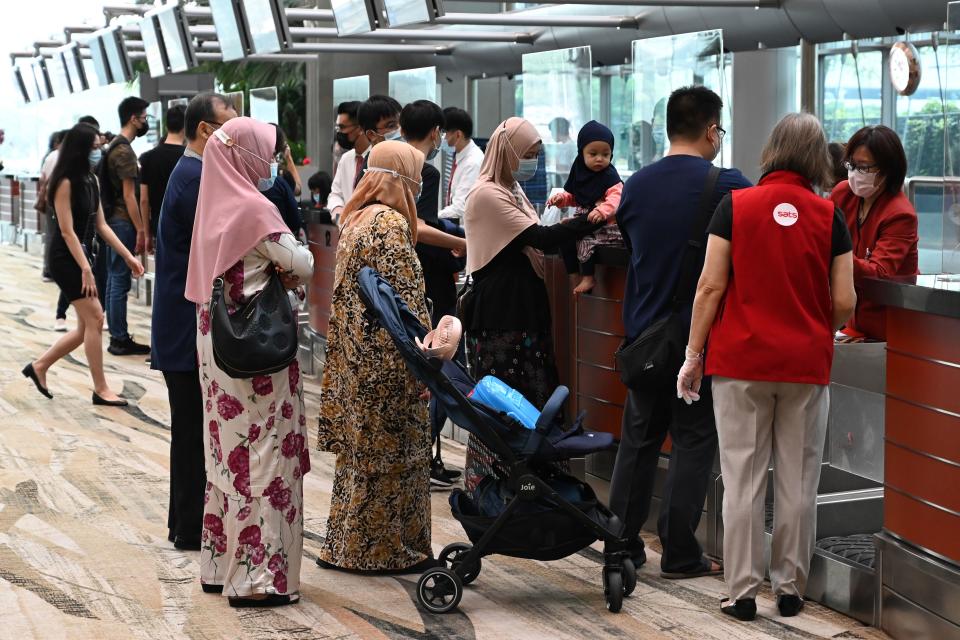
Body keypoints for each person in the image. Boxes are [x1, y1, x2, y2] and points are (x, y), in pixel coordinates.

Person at [678, 112, 856, 621]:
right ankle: (791, 587)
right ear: (818, 158)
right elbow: (844, 302)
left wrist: (693, 356)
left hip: (739, 363)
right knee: (798, 481)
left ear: (772, 150)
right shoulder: (829, 216)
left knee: (743, 478)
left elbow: (710, 286)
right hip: (804, 364)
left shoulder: (734, 206)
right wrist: (812, 317)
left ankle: (741, 591)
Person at [610, 86, 751, 576]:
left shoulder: (636, 185)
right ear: (712, 130)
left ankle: (620, 544)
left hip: (645, 338)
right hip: (702, 341)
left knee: (639, 441)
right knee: (692, 442)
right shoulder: (731, 184)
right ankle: (680, 552)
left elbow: (628, 243)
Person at [185, 117, 314, 607]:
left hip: (217, 352)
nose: (273, 163)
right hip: (255, 361)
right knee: (262, 458)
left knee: (225, 454)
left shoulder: (211, 205)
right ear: (249, 155)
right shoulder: (256, 211)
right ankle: (258, 579)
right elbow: (301, 263)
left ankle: (219, 565)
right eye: (269, 153)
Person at [461, 117, 602, 491]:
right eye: (527, 154)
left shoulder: (512, 190)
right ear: (506, 153)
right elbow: (542, 237)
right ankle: (496, 488)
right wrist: (594, 218)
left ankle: (529, 486)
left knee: (529, 401)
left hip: (521, 310)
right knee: (504, 402)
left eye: (537, 154)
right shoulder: (488, 194)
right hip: (502, 316)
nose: (533, 161)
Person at [315, 141, 436, 572]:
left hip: (356, 356)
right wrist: (431, 356)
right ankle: (383, 551)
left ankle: (345, 546)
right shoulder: (389, 224)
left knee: (360, 457)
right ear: (399, 179)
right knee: (393, 455)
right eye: (416, 177)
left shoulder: (358, 216)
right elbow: (406, 302)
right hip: (387, 362)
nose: (420, 186)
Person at [152, 93, 238, 552]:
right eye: (229, 125)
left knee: (189, 430)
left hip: (180, 324)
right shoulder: (197, 178)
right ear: (206, 130)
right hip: (185, 328)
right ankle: (189, 527)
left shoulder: (192, 173)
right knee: (191, 432)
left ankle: (184, 524)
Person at [22, 123, 145, 406]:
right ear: (80, 149)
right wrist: (86, 270)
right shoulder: (63, 182)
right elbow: (66, 231)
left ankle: (39, 367)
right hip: (66, 258)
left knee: (84, 327)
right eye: (94, 147)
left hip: (83, 254)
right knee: (96, 319)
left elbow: (101, 224)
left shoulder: (91, 180)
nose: (99, 151)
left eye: (99, 145)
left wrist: (128, 256)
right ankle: (101, 389)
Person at [400, 99, 466, 489]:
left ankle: (417, 455)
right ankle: (421, 454)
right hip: (427, 281)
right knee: (438, 362)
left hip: (409, 280)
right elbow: (418, 226)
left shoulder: (382, 162)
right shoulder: (421, 169)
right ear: (435, 132)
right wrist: (458, 242)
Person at [830, 125, 919, 341]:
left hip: (890, 325)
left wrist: (837, 256)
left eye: (864, 167)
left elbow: (880, 272)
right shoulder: (843, 194)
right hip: (851, 321)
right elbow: (822, 231)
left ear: (887, 170)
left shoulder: (900, 214)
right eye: (851, 165)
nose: (854, 174)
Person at [547, 120, 624, 294]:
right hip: (585, 223)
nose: (599, 158)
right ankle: (574, 274)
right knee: (564, 236)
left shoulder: (610, 176)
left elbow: (617, 198)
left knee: (585, 241)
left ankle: (589, 277)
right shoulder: (579, 172)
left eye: (605, 154)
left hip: (605, 227)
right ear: (581, 153)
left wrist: (601, 211)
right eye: (593, 153)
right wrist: (562, 199)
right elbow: (576, 197)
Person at [101, 96, 151, 356]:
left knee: (114, 278)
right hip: (123, 222)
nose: (145, 122)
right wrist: (141, 229)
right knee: (120, 279)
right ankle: (119, 338)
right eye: (144, 117)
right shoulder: (124, 151)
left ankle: (117, 334)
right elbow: (130, 195)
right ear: (133, 118)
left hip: (114, 221)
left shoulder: (114, 146)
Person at [139, 104, 186, 253]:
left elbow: (144, 200)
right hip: (185, 228)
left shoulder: (147, 158)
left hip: (159, 226)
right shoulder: (189, 158)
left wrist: (147, 235)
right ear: (187, 125)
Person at [39, 128, 71, 330]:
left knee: (52, 235)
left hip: (52, 201)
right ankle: (51, 270)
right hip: (56, 203)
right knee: (57, 235)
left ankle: (49, 270)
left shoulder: (51, 156)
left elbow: (43, 178)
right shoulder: (60, 158)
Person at [439, 107, 484, 222]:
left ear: (458, 135)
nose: (442, 137)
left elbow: (459, 208)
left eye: (444, 132)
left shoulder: (473, 162)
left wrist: (432, 217)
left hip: (466, 230)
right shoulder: (461, 157)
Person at [327, 101, 370, 219]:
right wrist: (338, 216)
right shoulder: (346, 159)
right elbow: (335, 194)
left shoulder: (377, 158)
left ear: (360, 128)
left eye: (342, 127)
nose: (339, 133)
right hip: (347, 231)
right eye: (337, 127)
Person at [260, 125, 304, 236]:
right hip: (283, 238)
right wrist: (289, 158)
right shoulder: (281, 177)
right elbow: (298, 189)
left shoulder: (249, 174)